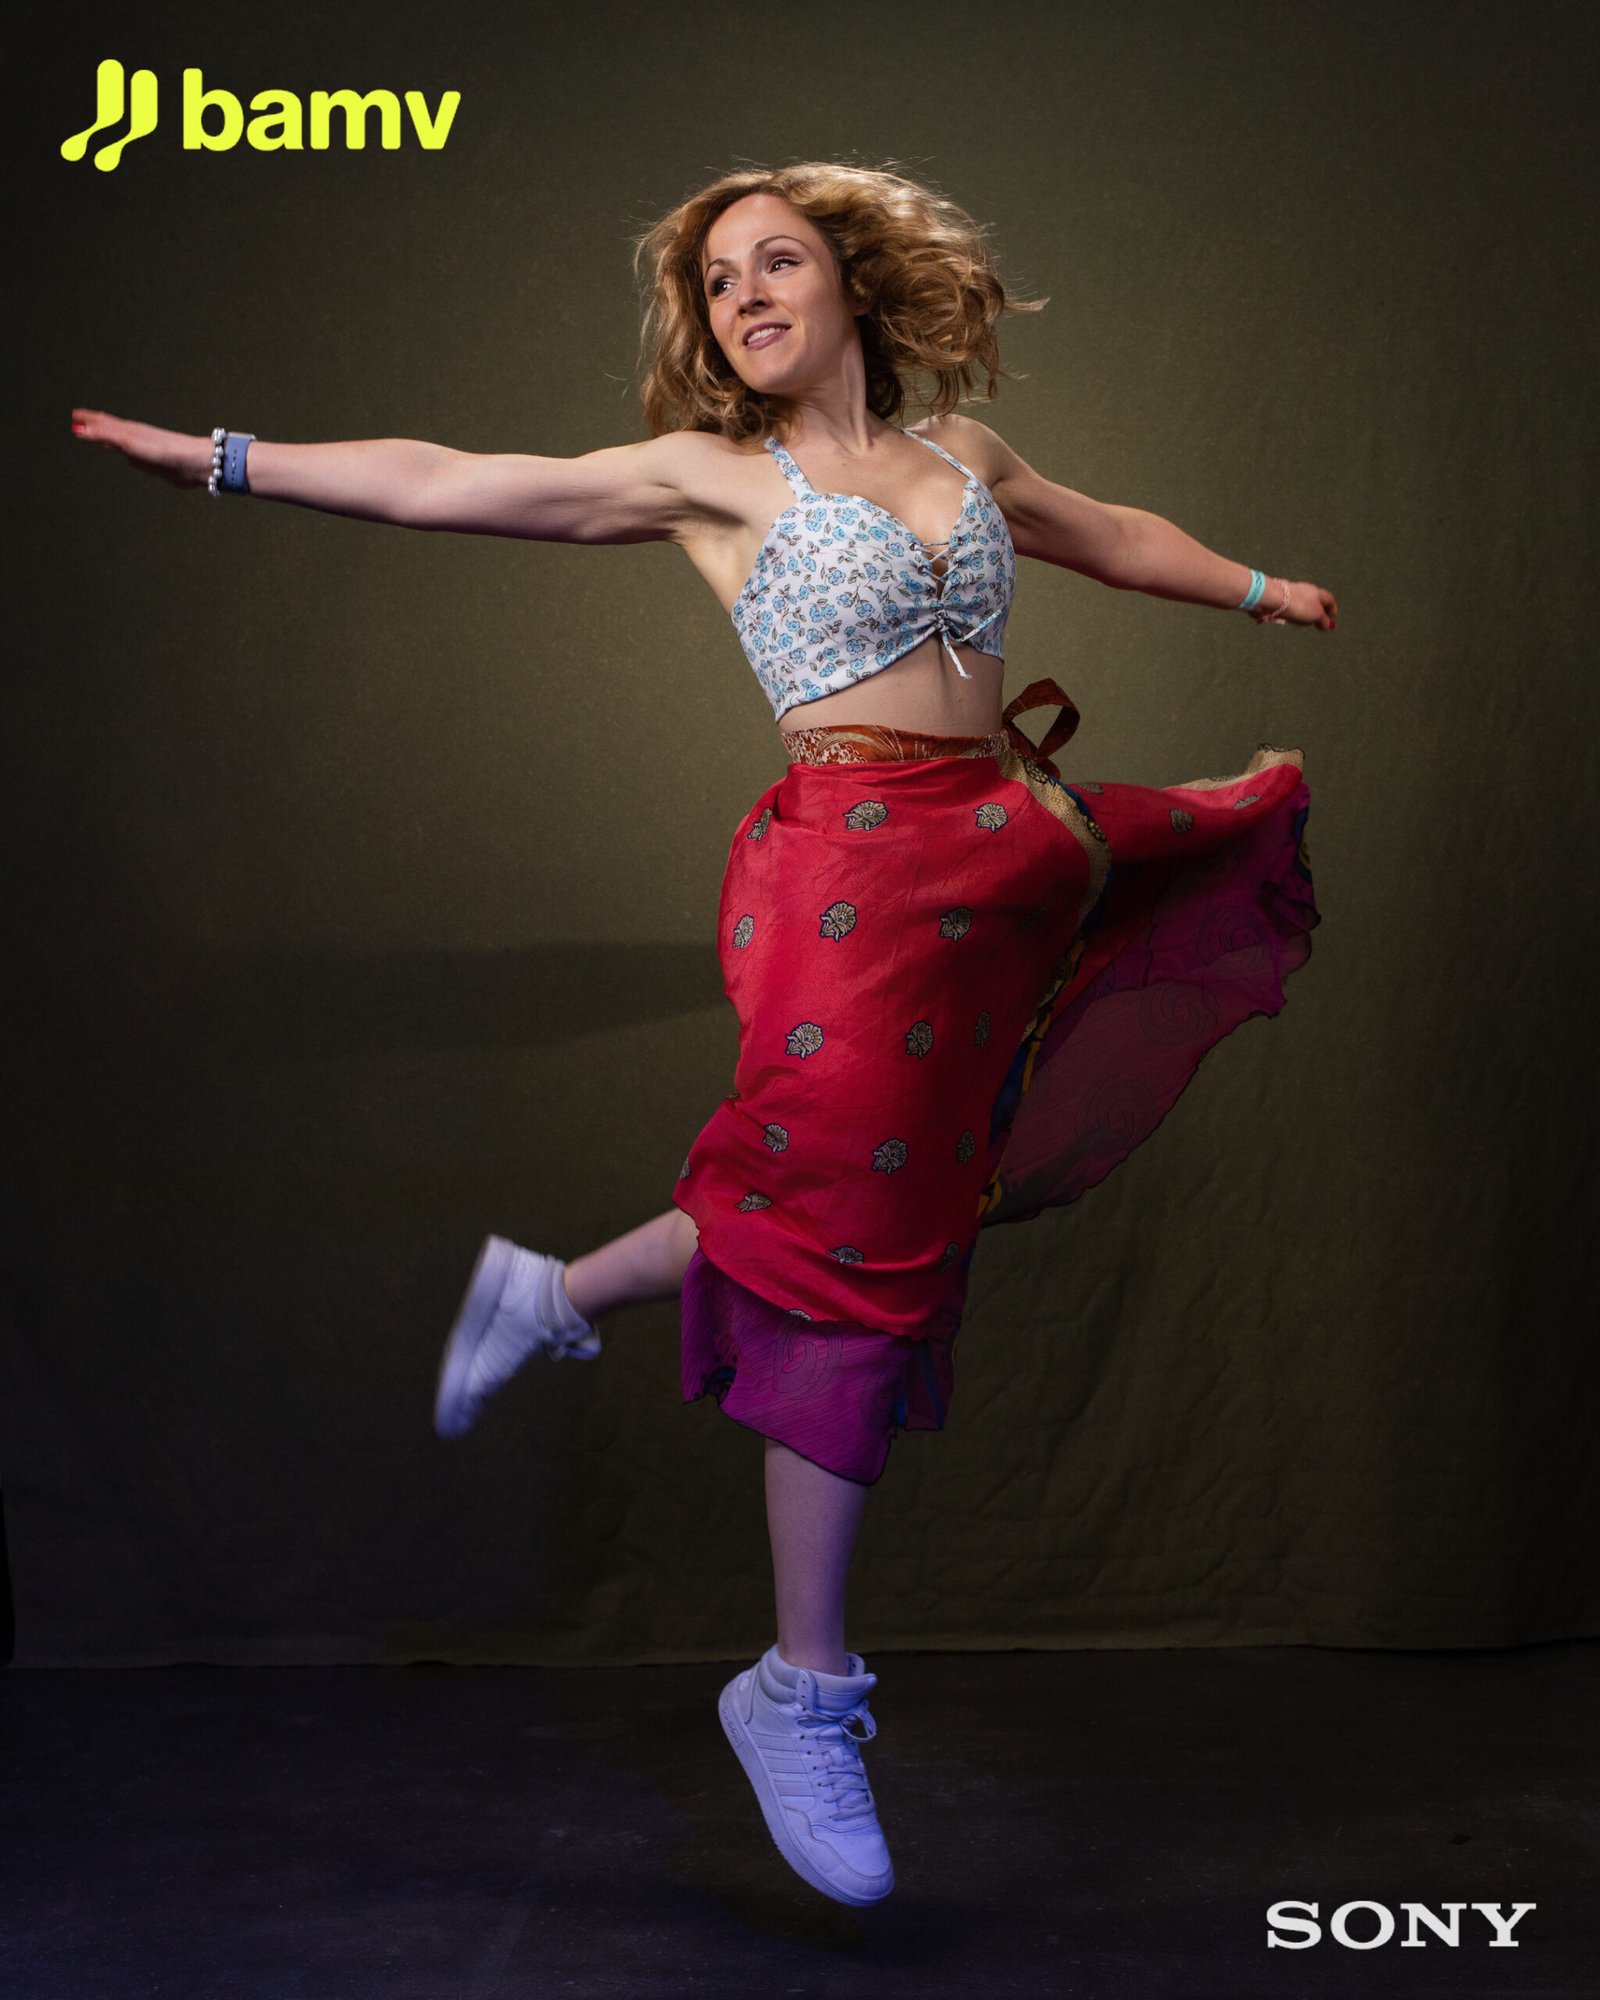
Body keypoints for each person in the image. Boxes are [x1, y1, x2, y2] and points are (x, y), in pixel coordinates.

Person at [71, 158, 1334, 1910]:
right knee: (856, 1251)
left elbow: (1112, 535)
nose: (743, 296)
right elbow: (452, 481)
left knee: (846, 1203)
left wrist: (1260, 590)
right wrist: (222, 458)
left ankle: (551, 1295)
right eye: (717, 281)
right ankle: (802, 1686)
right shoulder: (711, 479)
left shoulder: (965, 457)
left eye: (775, 261)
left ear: (851, 285)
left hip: (996, 872)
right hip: (852, 890)